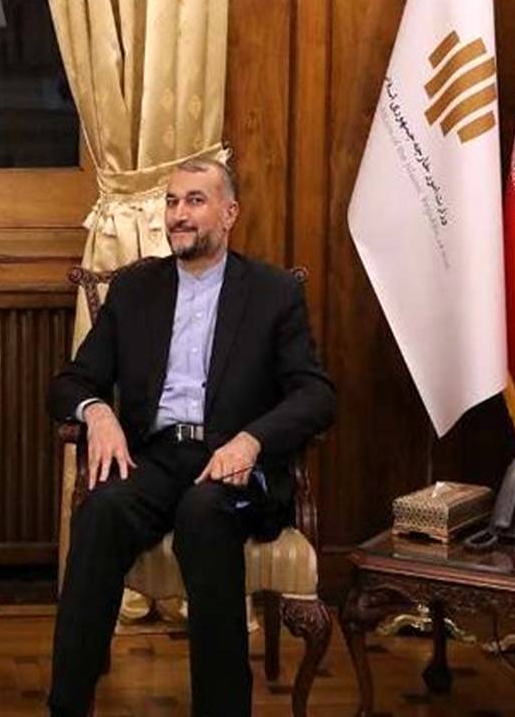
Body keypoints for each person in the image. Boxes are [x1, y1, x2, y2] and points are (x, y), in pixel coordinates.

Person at [47, 157, 336, 716]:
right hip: (156, 458)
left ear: (229, 214)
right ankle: (66, 708)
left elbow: (316, 394)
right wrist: (97, 413)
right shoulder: (136, 289)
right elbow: (71, 381)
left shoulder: (272, 293)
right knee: (101, 512)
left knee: (204, 513)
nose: (179, 214)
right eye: (172, 201)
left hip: (233, 464)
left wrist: (252, 440)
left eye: (195, 201)